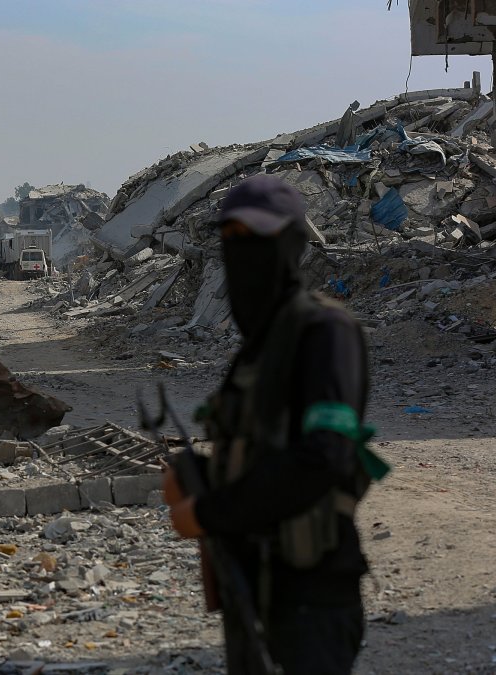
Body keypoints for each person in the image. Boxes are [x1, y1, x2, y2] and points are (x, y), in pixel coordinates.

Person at [163, 174, 380, 675]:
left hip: (310, 595)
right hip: (250, 582)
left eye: (256, 239)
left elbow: (324, 457)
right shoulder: (258, 346)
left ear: (290, 244)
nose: (243, 254)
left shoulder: (325, 333)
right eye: (231, 240)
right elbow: (259, 451)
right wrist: (195, 472)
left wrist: (213, 511)